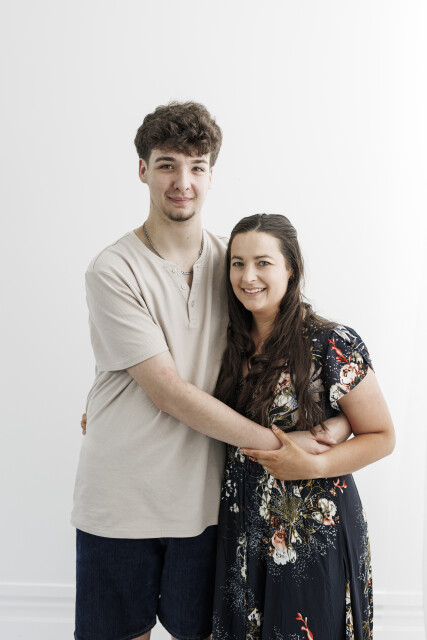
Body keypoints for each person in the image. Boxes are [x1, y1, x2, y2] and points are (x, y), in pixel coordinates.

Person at [72, 102, 350, 640]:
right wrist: (280, 445)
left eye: (196, 166)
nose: (183, 182)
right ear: (143, 170)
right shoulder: (113, 268)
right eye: (167, 165)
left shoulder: (236, 264)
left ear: (211, 175)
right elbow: (168, 392)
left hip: (208, 502)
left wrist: (334, 426)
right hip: (120, 498)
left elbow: (296, 348)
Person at [211, 214, 395, 639]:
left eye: (263, 262)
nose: (248, 276)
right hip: (239, 530)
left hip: (311, 533)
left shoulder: (332, 342)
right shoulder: (223, 343)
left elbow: (382, 436)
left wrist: (313, 464)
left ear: (291, 268)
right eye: (238, 263)